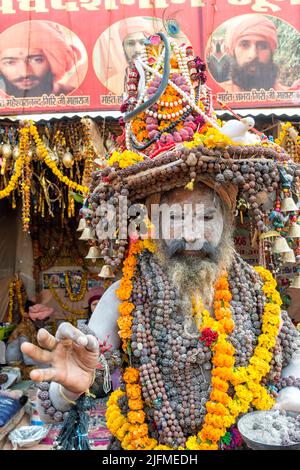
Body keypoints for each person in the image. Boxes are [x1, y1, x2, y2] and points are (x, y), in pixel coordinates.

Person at [21, 34, 300, 451]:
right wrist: (70, 389)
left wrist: (291, 395)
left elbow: (292, 350)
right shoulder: (124, 297)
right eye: (174, 218)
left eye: (205, 217)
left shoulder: (258, 291)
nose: (190, 234)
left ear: (227, 219)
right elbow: (84, 374)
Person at [0, 21, 83, 98]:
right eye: (10, 62)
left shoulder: (77, 95)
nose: (24, 73)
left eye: (36, 60)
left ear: (53, 61)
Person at [219, 14, 298, 93]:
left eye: (263, 46)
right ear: (233, 51)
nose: (253, 55)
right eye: (244, 45)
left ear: (272, 51)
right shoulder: (216, 94)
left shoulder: (288, 97)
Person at [6, 301, 54, 379]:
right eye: (45, 319)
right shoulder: (23, 330)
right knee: (50, 370)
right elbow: (27, 359)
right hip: (17, 367)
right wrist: (49, 361)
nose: (45, 323)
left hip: (25, 363)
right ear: (37, 319)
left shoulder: (32, 328)